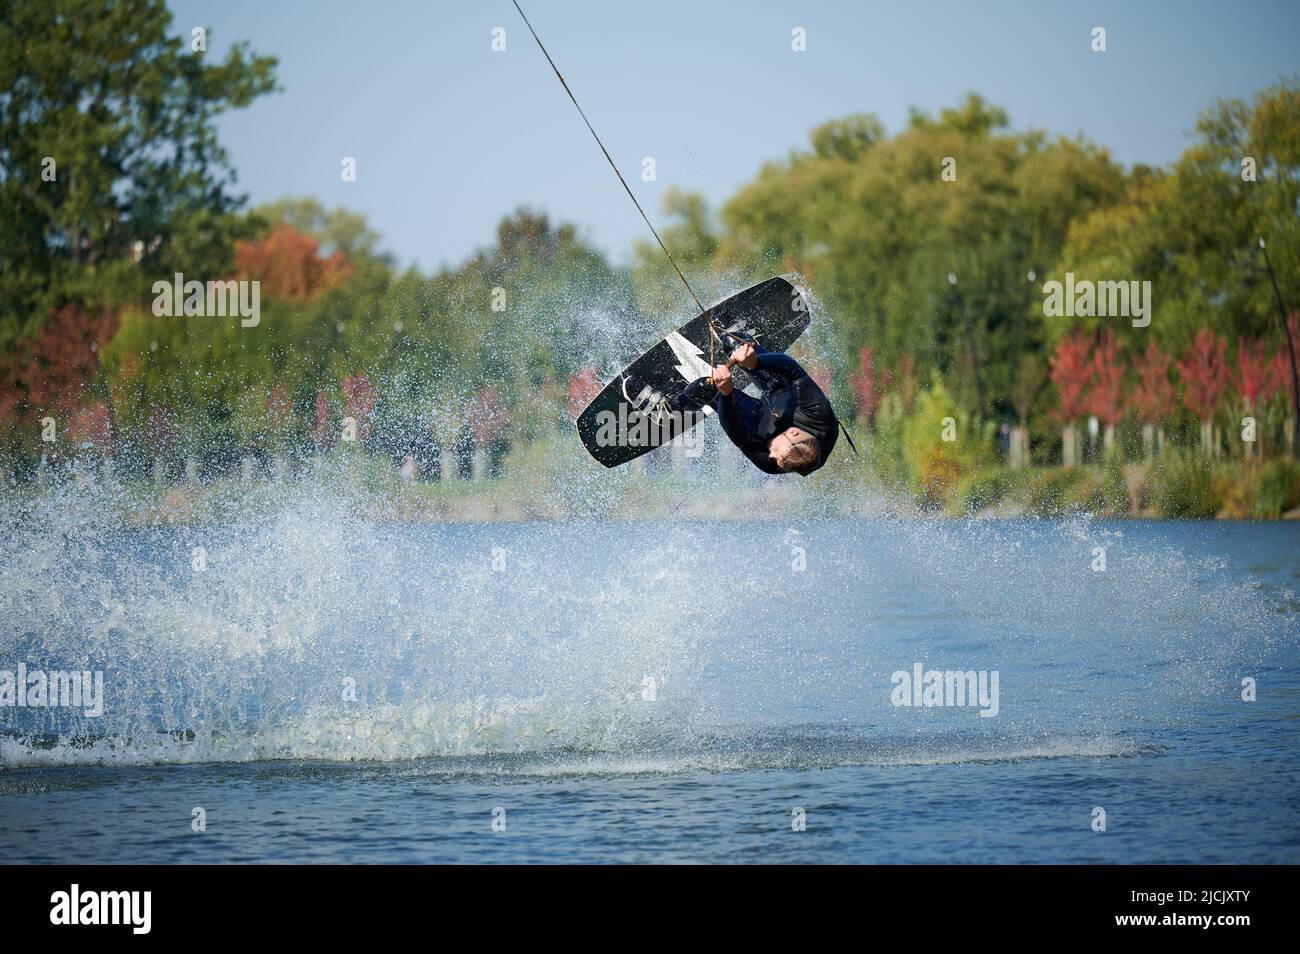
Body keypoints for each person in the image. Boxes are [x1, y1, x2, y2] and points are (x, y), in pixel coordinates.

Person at [622, 335, 838, 475]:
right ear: (792, 432)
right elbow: (792, 369)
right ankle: (740, 344)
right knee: (736, 344)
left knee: (708, 387)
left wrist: (725, 394)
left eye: (774, 457)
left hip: (758, 420)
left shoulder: (773, 464)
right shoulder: (820, 415)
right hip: (779, 391)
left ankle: (670, 409)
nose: (770, 455)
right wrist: (754, 362)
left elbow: (736, 432)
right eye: (775, 451)